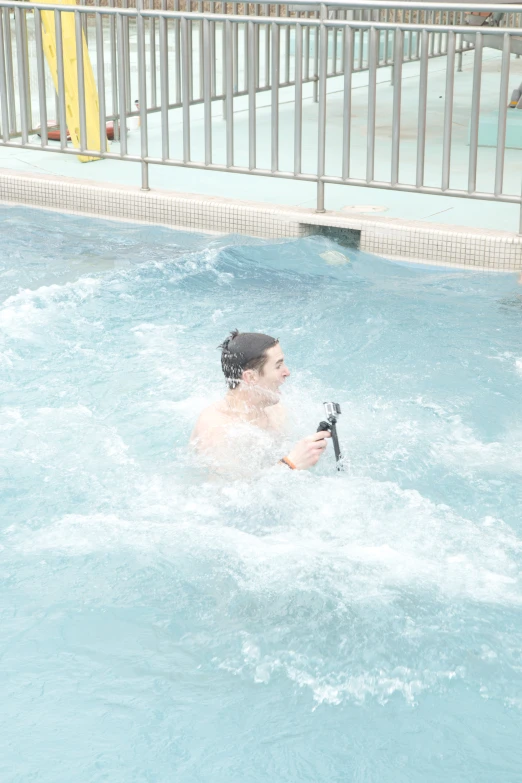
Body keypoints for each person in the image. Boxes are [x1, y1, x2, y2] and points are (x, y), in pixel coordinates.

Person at [190, 330, 330, 472]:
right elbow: (229, 491)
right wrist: (291, 463)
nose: (287, 372)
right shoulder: (217, 429)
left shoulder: (275, 410)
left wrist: (309, 452)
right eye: (278, 366)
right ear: (250, 377)